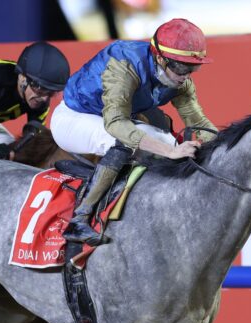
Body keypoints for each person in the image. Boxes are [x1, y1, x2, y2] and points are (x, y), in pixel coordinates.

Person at [51, 18, 217, 245]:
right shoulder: (125, 64)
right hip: (73, 118)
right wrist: (170, 151)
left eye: (192, 68)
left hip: (111, 118)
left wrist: (224, 147)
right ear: (160, 57)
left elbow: (198, 122)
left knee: (165, 137)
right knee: (132, 142)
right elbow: (116, 124)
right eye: (181, 67)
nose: (186, 75)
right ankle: (79, 219)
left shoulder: (180, 81)